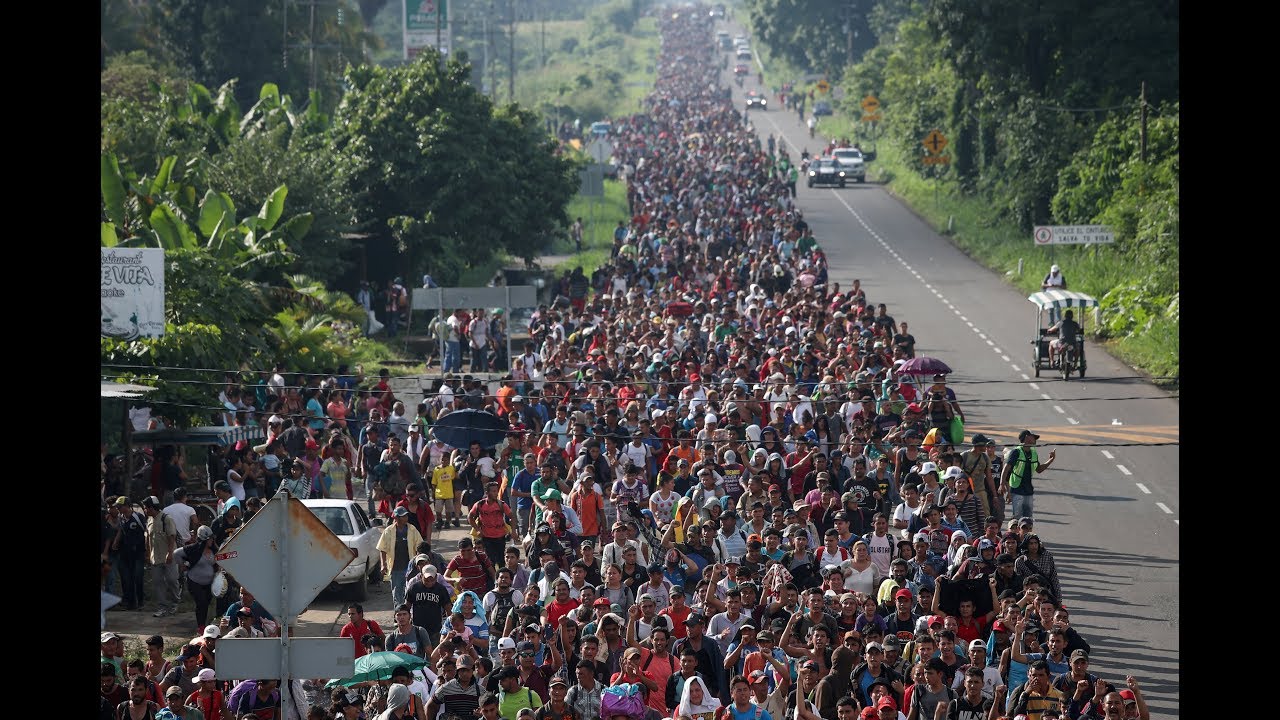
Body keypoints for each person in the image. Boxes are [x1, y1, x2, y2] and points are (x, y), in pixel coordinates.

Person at [1000, 431, 1054, 522]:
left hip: (1028, 490)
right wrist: (1002, 484)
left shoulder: (1033, 453)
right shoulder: (1016, 452)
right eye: (1033, 437)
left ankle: (1026, 536)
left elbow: (1039, 469)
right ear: (1026, 437)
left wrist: (1050, 460)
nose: (1035, 440)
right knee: (1017, 517)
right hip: (1017, 488)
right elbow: (1006, 468)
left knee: (1028, 518)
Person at [379, 506, 425, 610]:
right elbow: (382, 548)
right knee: (397, 593)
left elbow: (419, 546)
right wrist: (383, 564)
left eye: (406, 515)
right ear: (396, 518)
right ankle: (398, 615)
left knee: (410, 591)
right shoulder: (388, 531)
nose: (406, 518)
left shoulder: (412, 530)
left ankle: (409, 615)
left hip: (410, 569)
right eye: (403, 516)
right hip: (395, 569)